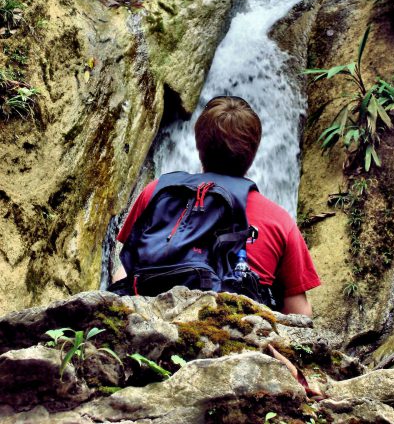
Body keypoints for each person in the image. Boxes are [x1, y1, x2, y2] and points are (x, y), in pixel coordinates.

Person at [112, 96, 320, 315]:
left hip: (150, 324)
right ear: (254, 151)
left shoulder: (156, 192)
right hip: (234, 336)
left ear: (198, 144)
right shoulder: (279, 221)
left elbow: (124, 272)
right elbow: (299, 314)